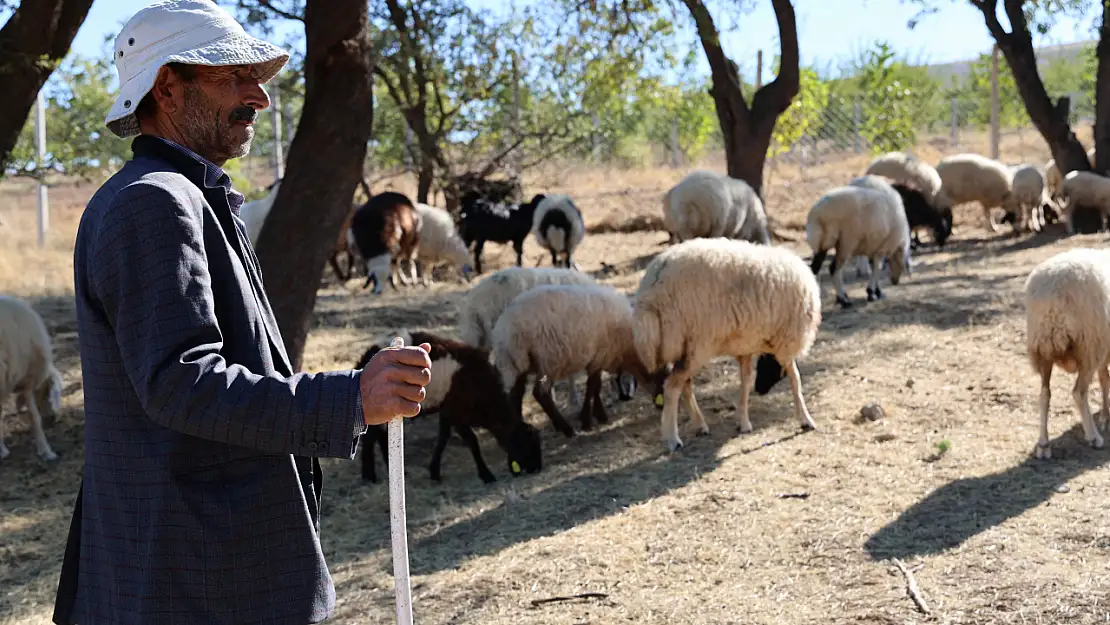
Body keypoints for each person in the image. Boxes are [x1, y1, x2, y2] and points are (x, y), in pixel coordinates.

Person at [52, 1, 432, 623]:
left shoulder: (181, 196)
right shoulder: (154, 203)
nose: (259, 97)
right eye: (234, 76)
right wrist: (348, 400)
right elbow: (183, 384)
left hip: (197, 571)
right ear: (168, 87)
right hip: (198, 581)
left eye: (260, 78)